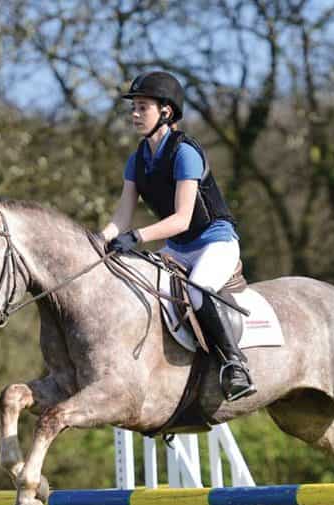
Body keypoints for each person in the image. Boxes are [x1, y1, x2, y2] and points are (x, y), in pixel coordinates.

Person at [99, 71, 256, 402]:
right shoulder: (137, 160)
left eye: (143, 107)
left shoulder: (185, 153)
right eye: (134, 108)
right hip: (179, 249)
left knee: (198, 291)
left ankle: (234, 364)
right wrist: (97, 243)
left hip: (215, 241)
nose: (135, 114)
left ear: (166, 112)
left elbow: (183, 219)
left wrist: (136, 237)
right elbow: (121, 216)